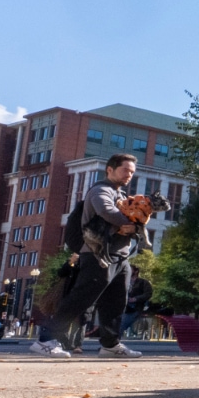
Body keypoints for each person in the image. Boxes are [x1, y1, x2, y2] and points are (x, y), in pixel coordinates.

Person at [37, 153, 153, 359]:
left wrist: (136, 225)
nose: (129, 175)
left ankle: (110, 345)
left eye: (132, 172)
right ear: (110, 169)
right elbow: (106, 211)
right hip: (97, 255)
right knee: (81, 299)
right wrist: (132, 224)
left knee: (116, 302)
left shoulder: (121, 195)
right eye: (125, 170)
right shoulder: (100, 190)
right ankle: (45, 340)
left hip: (120, 256)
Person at [120, 266, 153, 340]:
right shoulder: (124, 281)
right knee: (116, 325)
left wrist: (136, 299)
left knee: (121, 325)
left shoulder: (143, 282)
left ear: (136, 271)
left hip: (134, 308)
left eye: (130, 269)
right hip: (122, 307)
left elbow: (148, 294)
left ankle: (113, 342)